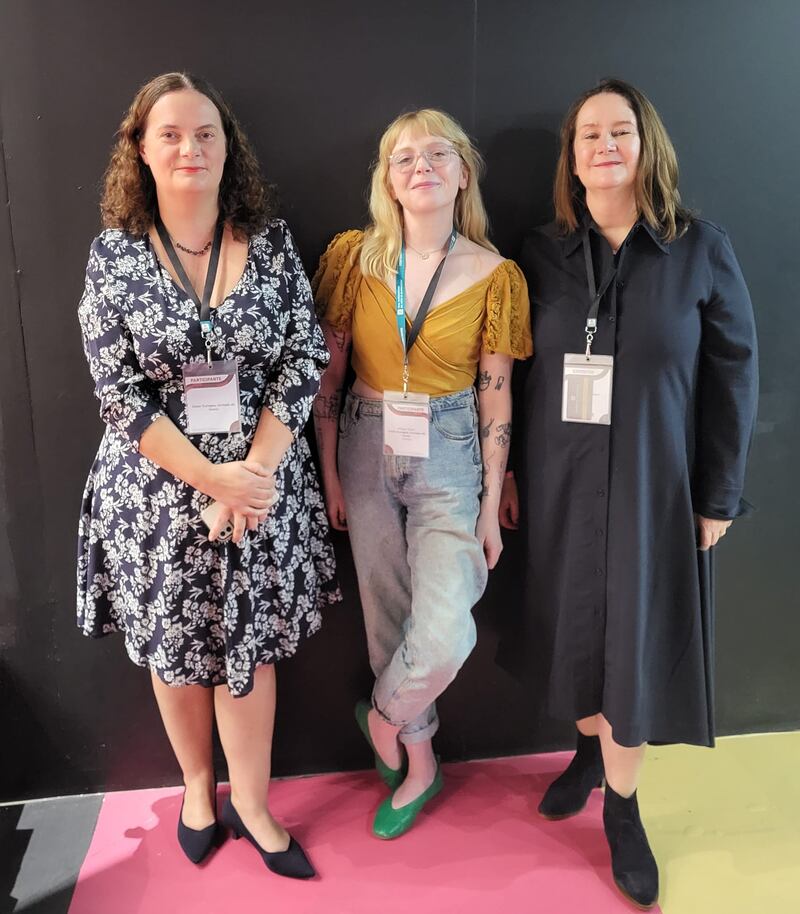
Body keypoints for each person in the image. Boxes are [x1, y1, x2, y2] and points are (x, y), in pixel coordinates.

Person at [500, 79, 758, 908]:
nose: (604, 146)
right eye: (588, 135)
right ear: (570, 158)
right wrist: (504, 474)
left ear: (647, 145)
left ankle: (623, 808)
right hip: (559, 488)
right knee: (570, 631)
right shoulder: (537, 253)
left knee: (637, 648)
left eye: (620, 132)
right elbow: (503, 374)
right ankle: (585, 751)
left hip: (656, 492)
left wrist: (717, 496)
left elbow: (733, 377)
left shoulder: (700, 250)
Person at [77, 72, 339, 877]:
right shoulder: (114, 256)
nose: (190, 147)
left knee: (247, 651)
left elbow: (305, 356)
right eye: (171, 134)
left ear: (230, 148)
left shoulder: (273, 241)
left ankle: (253, 803)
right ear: (141, 150)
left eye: (206, 133)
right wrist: (213, 482)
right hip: (157, 496)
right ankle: (198, 786)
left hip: (263, 487)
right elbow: (117, 390)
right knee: (175, 650)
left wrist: (252, 472)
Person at [312, 108, 532, 839]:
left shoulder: (497, 275)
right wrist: (332, 476)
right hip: (365, 442)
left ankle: (384, 716)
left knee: (442, 633)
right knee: (387, 616)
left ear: (463, 171)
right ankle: (420, 763)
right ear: (388, 180)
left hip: (451, 443)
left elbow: (497, 387)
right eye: (404, 158)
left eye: (438, 153)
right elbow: (330, 379)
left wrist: (492, 488)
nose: (422, 167)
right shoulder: (354, 258)